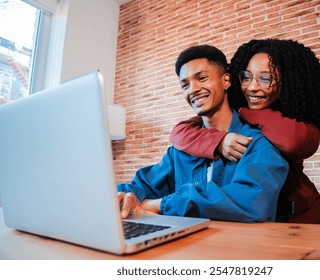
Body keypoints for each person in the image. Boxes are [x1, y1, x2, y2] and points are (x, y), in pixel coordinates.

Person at [170, 39, 320, 224]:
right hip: (265, 225)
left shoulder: (295, 124)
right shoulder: (237, 113)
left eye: (265, 78)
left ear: (286, 82)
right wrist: (219, 141)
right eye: (246, 77)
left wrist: (245, 113)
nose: (252, 87)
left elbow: (295, 141)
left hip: (302, 221)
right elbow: (179, 133)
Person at [117, 44, 289, 223]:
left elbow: (252, 203)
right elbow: (142, 185)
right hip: (188, 245)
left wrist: (160, 204)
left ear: (226, 81)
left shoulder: (257, 141)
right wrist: (124, 197)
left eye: (202, 78)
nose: (193, 89)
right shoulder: (180, 151)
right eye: (185, 85)